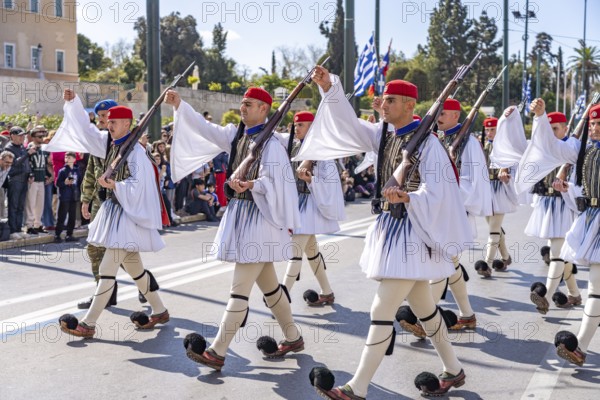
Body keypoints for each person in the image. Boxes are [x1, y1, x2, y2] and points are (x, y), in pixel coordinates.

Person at [295, 68, 471, 398]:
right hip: (391, 228)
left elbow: (443, 192)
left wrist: (410, 196)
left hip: (415, 233)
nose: (383, 104)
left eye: (390, 100)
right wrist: (328, 87)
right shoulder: (384, 135)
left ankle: (357, 387)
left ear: (409, 105)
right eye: (385, 99)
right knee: (425, 309)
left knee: (380, 311)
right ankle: (454, 369)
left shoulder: (429, 145)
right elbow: (347, 124)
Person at [166, 86, 302, 371]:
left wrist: (253, 184)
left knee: (239, 290)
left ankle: (217, 351)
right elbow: (205, 128)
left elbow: (276, 182)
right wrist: (181, 105)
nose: (243, 107)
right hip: (242, 214)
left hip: (260, 219)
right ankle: (294, 337)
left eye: (249, 104)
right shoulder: (236, 134)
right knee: (271, 289)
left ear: (264, 109)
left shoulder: (273, 144)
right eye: (242, 103)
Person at [50, 91, 169, 339]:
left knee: (107, 269)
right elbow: (84, 129)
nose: (108, 126)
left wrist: (116, 185)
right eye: (108, 121)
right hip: (114, 213)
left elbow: (142, 184)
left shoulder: (136, 152)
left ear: (127, 124)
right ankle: (159, 310)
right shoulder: (111, 145)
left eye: (113, 122)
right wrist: (73, 103)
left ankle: (88, 324)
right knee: (135, 270)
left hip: (128, 216)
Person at [522, 99, 600, 366]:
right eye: (592, 124)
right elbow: (553, 148)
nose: (595, 129)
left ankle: (580, 344)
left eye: (599, 124)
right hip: (590, 221)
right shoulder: (582, 149)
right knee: (597, 291)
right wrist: (541, 118)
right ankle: (580, 347)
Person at [491, 108, 581, 314]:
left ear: (566, 129)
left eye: (555, 129)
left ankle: (547, 296)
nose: (550, 133)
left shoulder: (571, 148)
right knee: (559, 252)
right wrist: (510, 120)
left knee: (557, 253)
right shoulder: (541, 148)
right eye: (547, 129)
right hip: (548, 204)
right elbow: (518, 151)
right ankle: (574, 294)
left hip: (566, 206)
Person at [284, 111, 345, 305]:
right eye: (296, 125)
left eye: (301, 125)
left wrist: (311, 179)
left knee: (295, 253)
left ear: (312, 128)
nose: (296, 128)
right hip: (298, 204)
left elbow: (331, 182)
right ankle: (327, 292)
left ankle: (281, 299)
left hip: (310, 205)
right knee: (311, 252)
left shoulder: (322, 152)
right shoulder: (295, 148)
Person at [474, 117, 518, 277]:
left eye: (492, 130)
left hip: (499, 190)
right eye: (487, 129)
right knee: (495, 227)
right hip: (486, 190)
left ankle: (487, 263)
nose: (489, 132)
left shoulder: (506, 148)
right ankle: (506, 257)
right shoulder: (483, 145)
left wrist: (507, 175)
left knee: (493, 229)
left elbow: (515, 167)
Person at [5, 126, 34, 240]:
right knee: (13, 205)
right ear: (12, 136)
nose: (22, 137)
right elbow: (14, 163)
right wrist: (27, 154)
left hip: (23, 178)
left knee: (20, 206)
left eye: (23, 135)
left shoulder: (22, 147)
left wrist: (30, 173)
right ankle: (12, 231)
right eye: (20, 135)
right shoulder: (8, 148)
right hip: (14, 179)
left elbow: (26, 163)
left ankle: (18, 229)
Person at [26, 125, 51, 235]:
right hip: (32, 179)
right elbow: (27, 163)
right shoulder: (30, 148)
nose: (42, 137)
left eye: (43, 134)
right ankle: (29, 225)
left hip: (41, 178)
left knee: (40, 204)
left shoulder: (44, 149)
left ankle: (38, 224)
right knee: (30, 203)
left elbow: (47, 163)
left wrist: (48, 174)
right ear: (33, 136)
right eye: (39, 135)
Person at [54, 152, 80, 242]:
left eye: (69, 157)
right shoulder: (62, 171)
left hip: (74, 196)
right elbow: (57, 183)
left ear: (74, 159)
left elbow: (79, 182)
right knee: (62, 216)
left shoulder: (77, 170)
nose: (67, 159)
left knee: (72, 217)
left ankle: (70, 234)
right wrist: (65, 183)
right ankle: (57, 235)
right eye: (66, 157)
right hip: (65, 196)